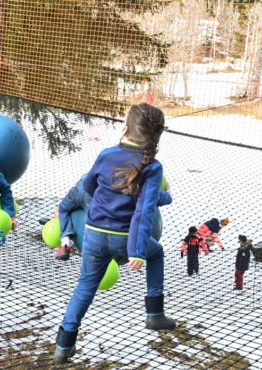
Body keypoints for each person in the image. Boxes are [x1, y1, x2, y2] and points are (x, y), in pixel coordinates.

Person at [54, 103, 175, 364]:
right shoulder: (153, 167)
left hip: (93, 235)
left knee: (85, 287)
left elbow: (89, 185)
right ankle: (155, 314)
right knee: (158, 253)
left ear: (126, 130)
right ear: (156, 135)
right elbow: (142, 212)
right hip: (123, 239)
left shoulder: (107, 154)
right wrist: (137, 252)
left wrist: (161, 196)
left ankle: (63, 346)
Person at [54, 174, 91, 261]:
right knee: (95, 219)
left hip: (80, 186)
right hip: (94, 191)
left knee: (63, 209)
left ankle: (65, 244)